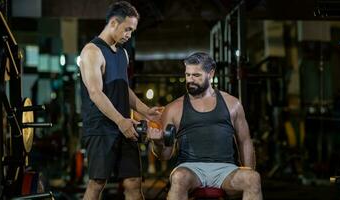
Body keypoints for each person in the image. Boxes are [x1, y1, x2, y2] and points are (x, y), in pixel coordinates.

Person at [148, 52, 263, 199]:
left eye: (196, 75)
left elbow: (244, 140)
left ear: (211, 73)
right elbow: (164, 155)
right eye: (187, 75)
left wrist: (248, 171)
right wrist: (157, 143)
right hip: (190, 169)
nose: (190, 80)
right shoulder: (174, 108)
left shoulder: (232, 104)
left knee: (253, 178)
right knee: (179, 177)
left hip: (225, 170)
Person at [79, 1, 161, 200]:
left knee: (134, 183)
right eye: (127, 29)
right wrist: (120, 120)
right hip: (100, 128)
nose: (129, 35)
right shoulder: (92, 52)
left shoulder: (123, 53)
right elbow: (95, 93)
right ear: (114, 23)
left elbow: (124, 89)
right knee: (97, 184)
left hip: (125, 126)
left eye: (132, 31)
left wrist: (145, 110)